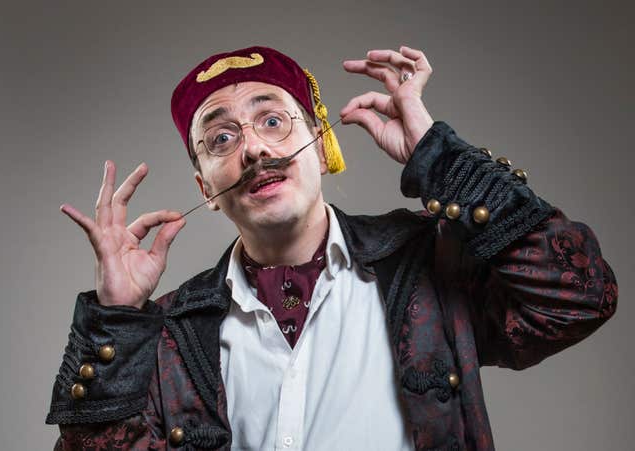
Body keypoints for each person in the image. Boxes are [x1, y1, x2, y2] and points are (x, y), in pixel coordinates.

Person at [46, 45, 618, 450]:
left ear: (320, 145)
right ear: (206, 191)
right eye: (221, 137)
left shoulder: (430, 261)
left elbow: (579, 298)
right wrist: (117, 320)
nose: (252, 150)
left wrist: (439, 159)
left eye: (273, 120)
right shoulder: (168, 331)